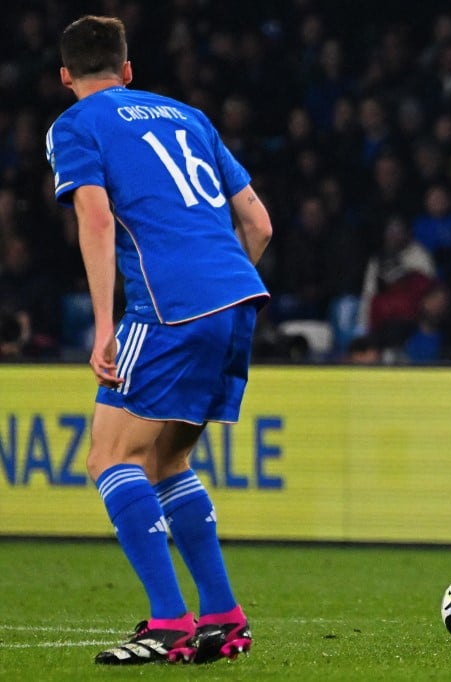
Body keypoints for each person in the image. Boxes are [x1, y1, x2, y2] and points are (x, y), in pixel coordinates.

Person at [46, 16, 272, 665]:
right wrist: (221, 289)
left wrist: (104, 324)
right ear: (127, 69)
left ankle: (169, 622)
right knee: (167, 461)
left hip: (168, 306)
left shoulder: (77, 125)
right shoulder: (189, 116)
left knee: (107, 457)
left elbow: (94, 217)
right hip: (236, 296)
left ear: (66, 76)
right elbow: (257, 221)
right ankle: (223, 617)